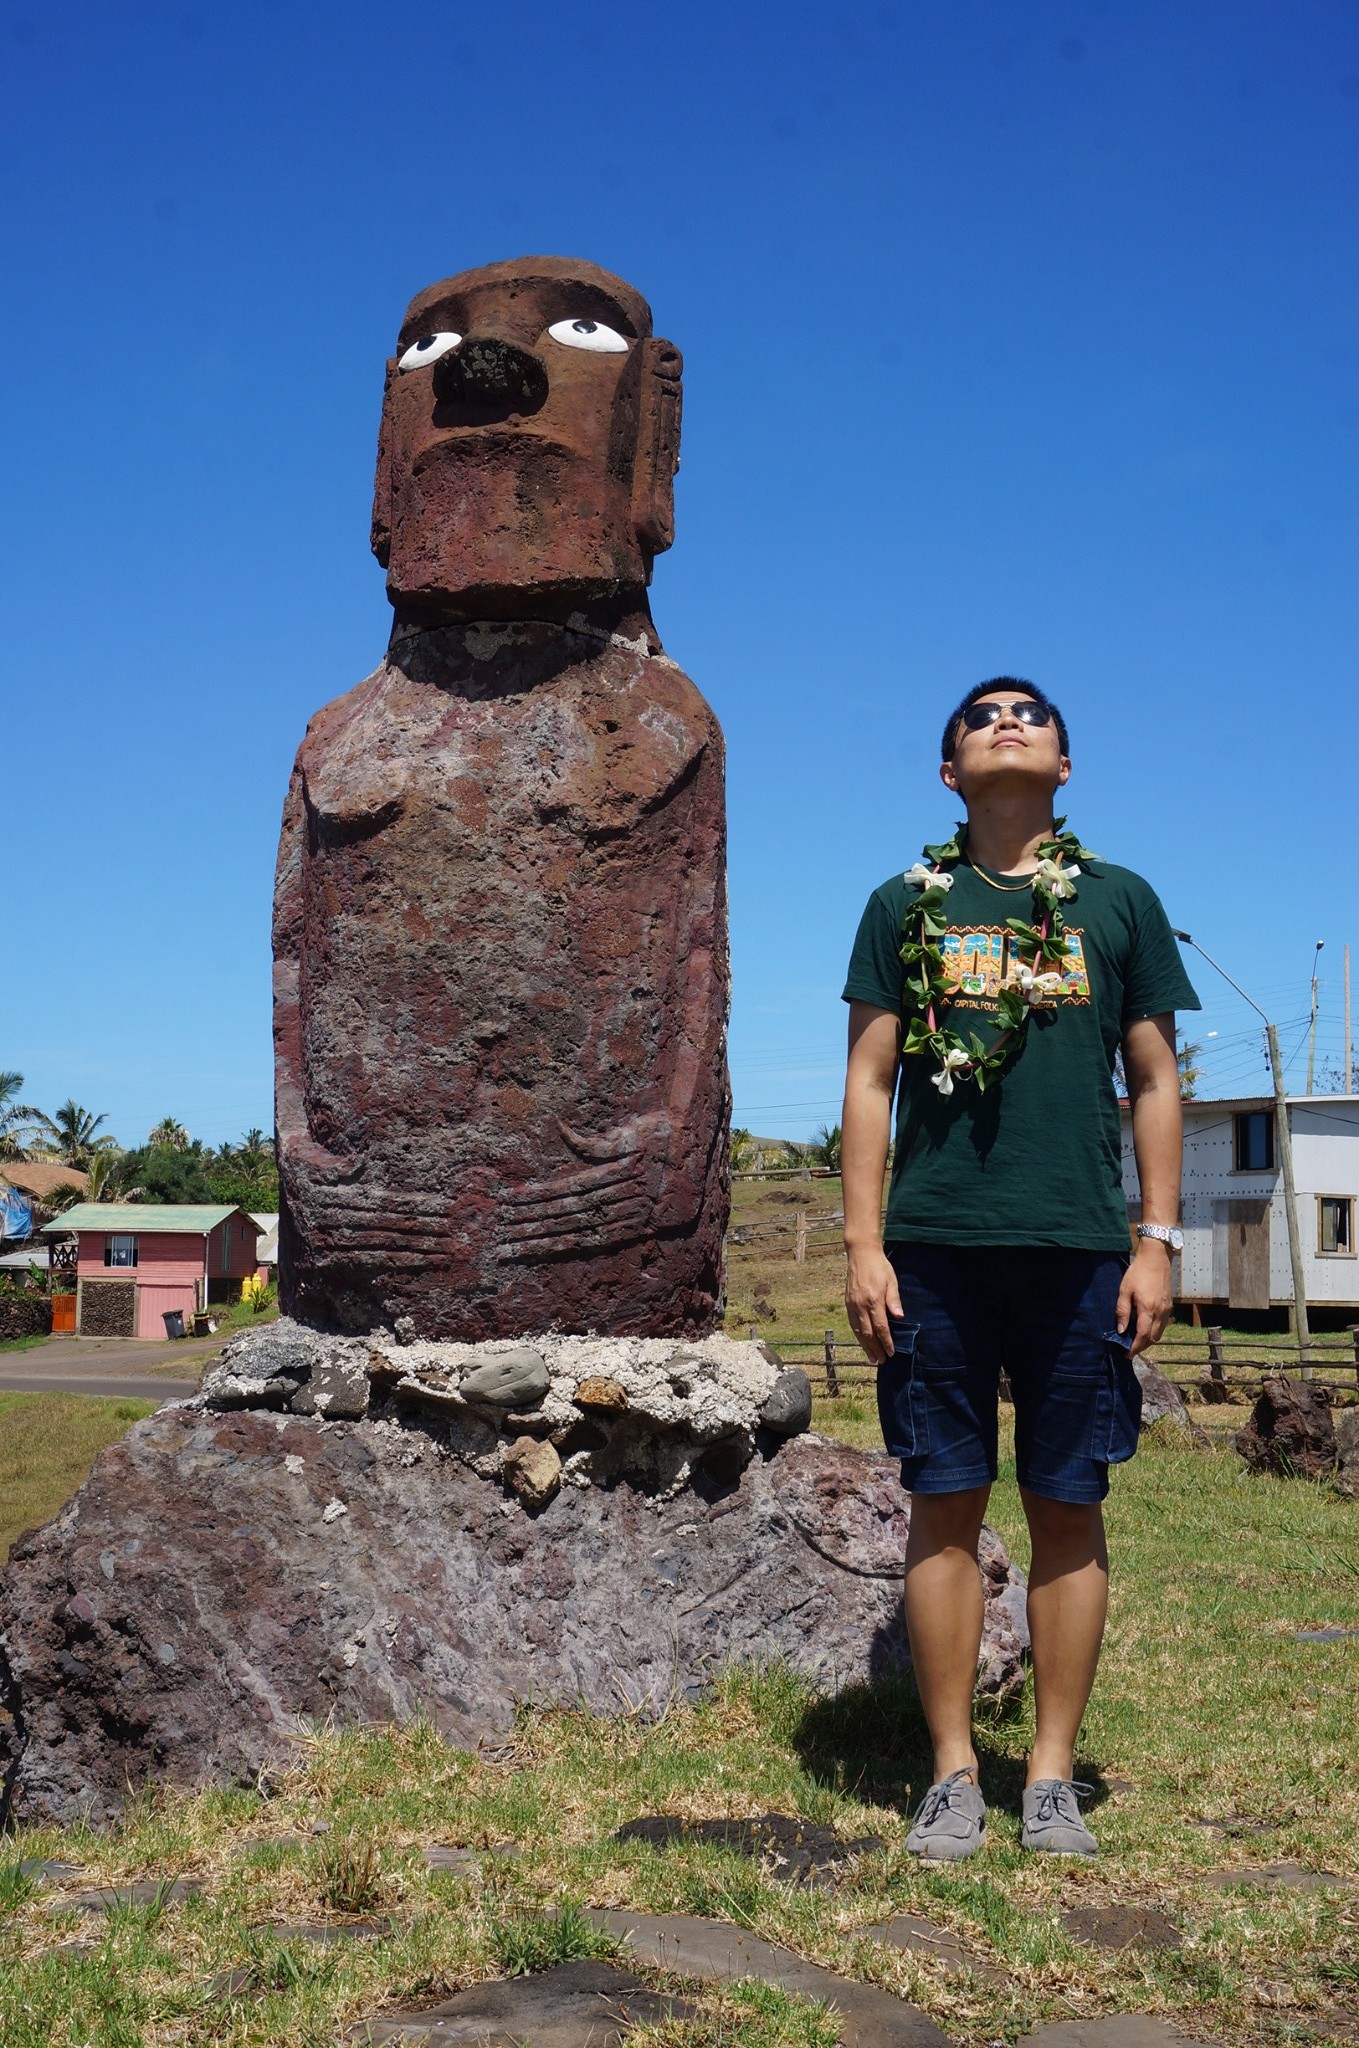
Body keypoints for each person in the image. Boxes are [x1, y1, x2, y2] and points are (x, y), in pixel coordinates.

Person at [840, 676, 1199, 1859]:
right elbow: (871, 1081)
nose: (1008, 718)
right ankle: (951, 1771)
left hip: (1080, 1249)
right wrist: (861, 1242)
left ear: (1064, 765)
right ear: (949, 772)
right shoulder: (905, 904)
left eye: (1032, 714)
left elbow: (1155, 1077)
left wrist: (1157, 1238)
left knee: (1069, 1505)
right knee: (942, 1503)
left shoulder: (1119, 902)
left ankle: (1049, 1775)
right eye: (982, 715)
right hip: (936, 1249)